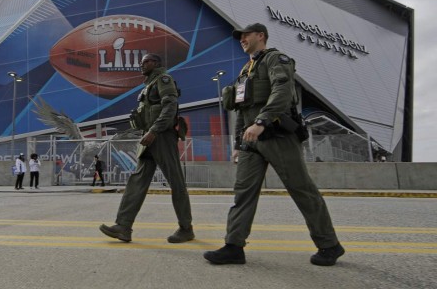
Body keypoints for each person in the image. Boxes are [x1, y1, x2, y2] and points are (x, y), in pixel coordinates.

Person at [203, 23, 345, 267]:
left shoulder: (275, 59)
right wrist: (239, 142)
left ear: (261, 36)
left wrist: (261, 121)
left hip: (277, 135)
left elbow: (282, 91)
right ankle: (234, 246)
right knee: (242, 194)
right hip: (252, 142)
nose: (242, 40)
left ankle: (330, 245)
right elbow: (241, 109)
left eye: (246, 35)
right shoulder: (245, 71)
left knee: (302, 189)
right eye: (240, 38)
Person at [99, 53, 194, 243]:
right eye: (141, 62)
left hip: (162, 137)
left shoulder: (164, 80)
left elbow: (170, 108)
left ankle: (186, 229)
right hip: (149, 137)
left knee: (176, 182)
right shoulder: (149, 85)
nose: (141, 65)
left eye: (145, 62)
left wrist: (154, 131)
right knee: (137, 181)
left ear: (156, 63)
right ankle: (123, 227)